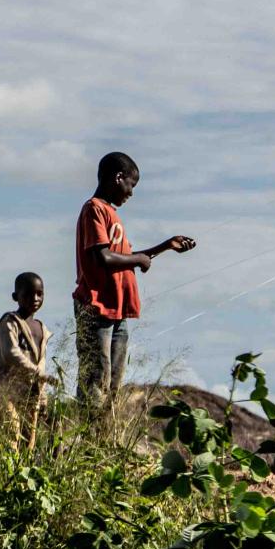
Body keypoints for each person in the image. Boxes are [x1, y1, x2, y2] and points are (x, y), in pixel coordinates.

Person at [74, 151, 195, 414]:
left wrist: (165, 246)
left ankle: (102, 439)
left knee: (113, 384)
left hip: (116, 311)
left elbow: (126, 258)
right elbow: (103, 257)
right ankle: (87, 441)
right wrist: (138, 259)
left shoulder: (112, 215)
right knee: (96, 379)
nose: (131, 192)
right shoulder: (94, 209)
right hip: (97, 309)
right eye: (131, 184)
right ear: (119, 178)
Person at [0, 272, 53, 447]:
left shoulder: (42, 329)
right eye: (28, 294)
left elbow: (42, 364)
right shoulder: (9, 322)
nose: (35, 298)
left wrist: (43, 398)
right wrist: (37, 372)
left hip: (31, 395)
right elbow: (11, 352)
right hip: (7, 393)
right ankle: (6, 475)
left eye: (39, 293)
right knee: (10, 437)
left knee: (28, 445)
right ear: (16, 296)